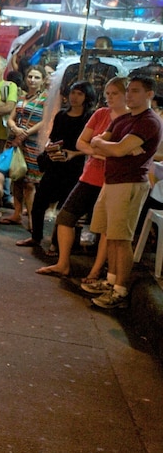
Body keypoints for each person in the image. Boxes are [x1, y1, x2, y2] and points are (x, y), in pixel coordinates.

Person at [36, 77, 128, 279]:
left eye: (115, 93)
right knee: (65, 217)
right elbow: (82, 143)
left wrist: (99, 148)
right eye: (108, 93)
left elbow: (123, 151)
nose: (110, 97)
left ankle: (95, 271)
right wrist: (102, 152)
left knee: (104, 228)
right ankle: (63, 263)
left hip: (112, 179)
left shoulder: (130, 120)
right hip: (90, 174)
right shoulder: (101, 114)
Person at [84, 76, 163, 308]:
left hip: (129, 182)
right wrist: (114, 147)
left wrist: (113, 147)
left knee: (122, 237)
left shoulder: (149, 121)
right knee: (110, 234)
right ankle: (110, 281)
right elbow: (97, 140)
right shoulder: (125, 119)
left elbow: (115, 149)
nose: (129, 95)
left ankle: (120, 289)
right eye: (128, 90)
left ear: (149, 94)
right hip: (112, 180)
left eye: (135, 91)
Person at [18, 81, 94, 249]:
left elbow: (92, 146)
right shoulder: (61, 115)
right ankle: (36, 237)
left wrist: (75, 153)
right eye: (73, 92)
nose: (74, 97)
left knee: (64, 209)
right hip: (55, 163)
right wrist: (51, 150)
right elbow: (53, 138)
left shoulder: (89, 118)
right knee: (39, 203)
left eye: (80, 94)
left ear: (87, 96)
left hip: (74, 167)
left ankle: (56, 244)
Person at [0, 66, 49, 226]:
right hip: (16, 142)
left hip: (33, 144)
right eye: (30, 76)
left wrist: (26, 133)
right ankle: (17, 213)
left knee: (30, 183)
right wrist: (15, 128)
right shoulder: (22, 97)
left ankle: (32, 219)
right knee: (17, 179)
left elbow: (45, 121)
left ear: (42, 80)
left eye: (36, 77)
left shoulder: (45, 98)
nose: (32, 80)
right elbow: (11, 118)